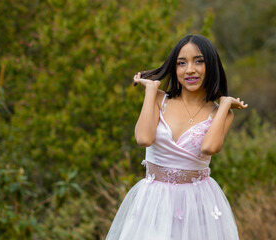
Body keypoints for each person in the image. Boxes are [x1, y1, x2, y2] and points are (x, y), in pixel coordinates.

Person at [106, 34, 248, 240]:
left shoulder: (222, 113)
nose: (190, 69)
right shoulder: (158, 99)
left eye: (199, 61)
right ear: (174, 68)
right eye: (181, 63)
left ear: (212, 66)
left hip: (197, 203)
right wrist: (151, 90)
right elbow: (144, 139)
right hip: (154, 202)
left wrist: (225, 104)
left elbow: (209, 148)